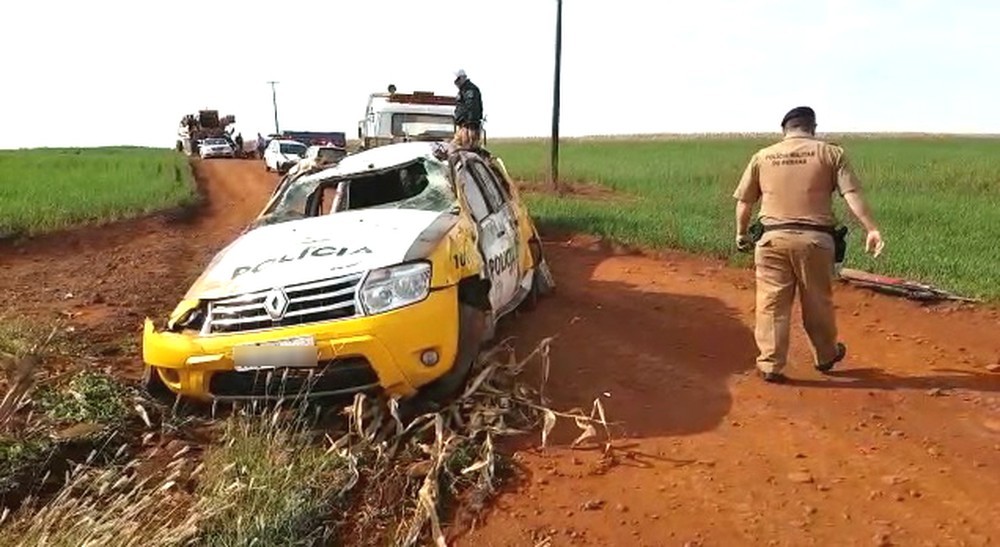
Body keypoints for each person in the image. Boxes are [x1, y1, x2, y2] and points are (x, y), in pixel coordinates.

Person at [733, 106, 885, 384]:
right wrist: (871, 229)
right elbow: (851, 194)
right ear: (812, 128)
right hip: (815, 241)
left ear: (785, 130)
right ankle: (826, 355)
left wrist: (741, 234)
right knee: (817, 301)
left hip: (771, 240)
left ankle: (770, 363)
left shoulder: (763, 156)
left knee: (771, 303)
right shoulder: (830, 153)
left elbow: (744, 203)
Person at [452, 69, 483, 149]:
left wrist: (470, 127)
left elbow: (472, 108)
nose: (456, 83)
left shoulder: (470, 90)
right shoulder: (463, 91)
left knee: (466, 149)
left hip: (468, 127)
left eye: (457, 80)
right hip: (463, 127)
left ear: (462, 78)